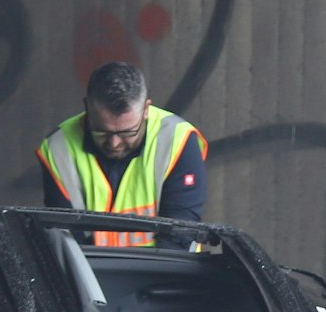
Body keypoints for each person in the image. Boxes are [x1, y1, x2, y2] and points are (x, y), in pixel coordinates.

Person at [38, 61, 207, 248]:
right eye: (101, 131)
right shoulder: (59, 148)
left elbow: (180, 235)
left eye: (127, 133)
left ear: (146, 110)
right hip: (86, 273)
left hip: (168, 272)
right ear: (87, 107)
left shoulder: (177, 141)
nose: (114, 143)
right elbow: (65, 239)